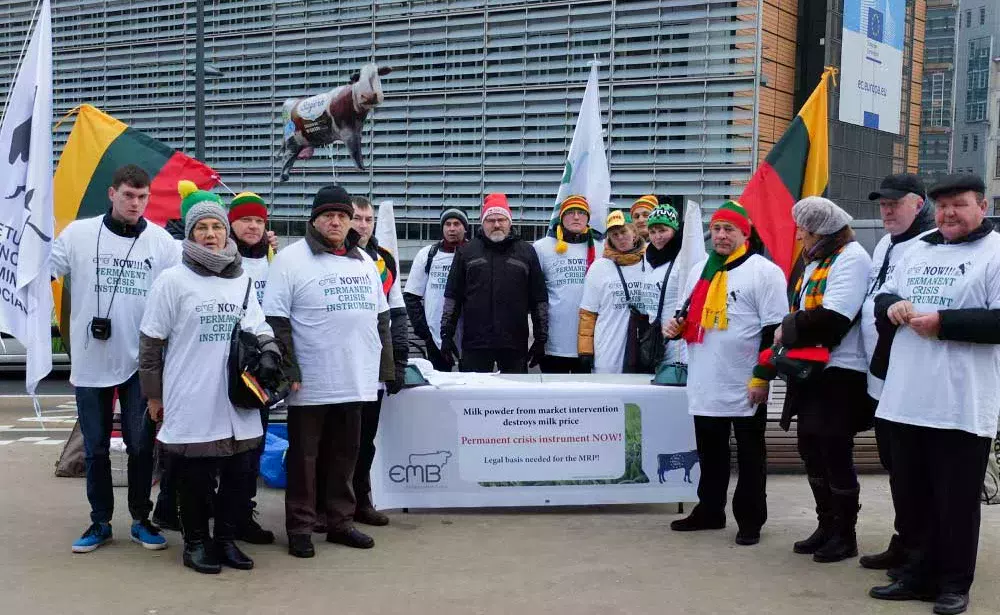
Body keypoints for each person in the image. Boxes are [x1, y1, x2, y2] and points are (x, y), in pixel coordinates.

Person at [868, 175, 1000, 615]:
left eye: (959, 205)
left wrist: (944, 322)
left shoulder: (995, 252)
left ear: (981, 206)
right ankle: (918, 573)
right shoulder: (918, 247)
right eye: (942, 206)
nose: (949, 214)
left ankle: (954, 583)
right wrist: (891, 307)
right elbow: (882, 295)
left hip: (960, 403)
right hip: (905, 398)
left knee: (956, 502)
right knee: (912, 497)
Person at [139, 189, 280, 574]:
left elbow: (258, 324)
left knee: (239, 473)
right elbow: (151, 343)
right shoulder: (172, 280)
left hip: (236, 396)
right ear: (190, 234)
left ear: (226, 233)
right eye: (201, 227)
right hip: (191, 394)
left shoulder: (242, 280)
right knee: (194, 477)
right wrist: (154, 396)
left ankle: (226, 540)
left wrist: (269, 349)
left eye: (216, 226)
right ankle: (196, 542)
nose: (210, 233)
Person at [51, 164, 178, 554]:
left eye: (142, 197)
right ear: (112, 194)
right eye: (128, 195)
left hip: (141, 363)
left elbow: (181, 292)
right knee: (95, 447)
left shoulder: (161, 242)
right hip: (91, 362)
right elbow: (42, 272)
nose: (135, 203)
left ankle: (141, 519)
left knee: (141, 446)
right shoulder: (79, 234)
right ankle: (100, 522)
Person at [263, 184, 394, 559]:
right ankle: (301, 527)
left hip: (356, 378)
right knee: (305, 460)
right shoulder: (291, 260)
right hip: (312, 382)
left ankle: (340, 521)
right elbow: (277, 321)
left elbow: (380, 319)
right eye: (327, 216)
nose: (335, 222)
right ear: (314, 220)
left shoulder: (365, 262)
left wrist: (383, 370)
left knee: (345, 455)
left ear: (350, 220)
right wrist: (290, 369)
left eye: (342, 216)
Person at [663, 201, 786, 545]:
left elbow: (774, 329)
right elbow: (686, 313)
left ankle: (750, 519)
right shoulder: (701, 269)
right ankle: (710, 509)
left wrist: (762, 376)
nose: (720, 235)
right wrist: (676, 325)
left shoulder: (764, 271)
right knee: (709, 451)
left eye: (728, 229)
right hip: (705, 377)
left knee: (750, 454)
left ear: (744, 233)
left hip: (745, 381)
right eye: (716, 228)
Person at [774, 197, 872, 564]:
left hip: (840, 372)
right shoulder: (817, 260)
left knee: (834, 452)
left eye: (803, 228)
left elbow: (833, 319)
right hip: (813, 370)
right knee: (810, 449)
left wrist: (788, 328)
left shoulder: (851, 258)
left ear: (820, 231)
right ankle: (826, 523)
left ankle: (845, 534)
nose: (798, 234)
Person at [858, 174, 935, 572]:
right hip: (879, 377)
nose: (886, 210)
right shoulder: (887, 243)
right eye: (882, 204)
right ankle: (905, 540)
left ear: (918, 204)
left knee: (913, 470)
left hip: (909, 378)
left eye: (894, 203)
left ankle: (920, 548)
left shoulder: (931, 245)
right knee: (895, 466)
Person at [315, 196, 406, 528]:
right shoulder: (331, 256)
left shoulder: (384, 261)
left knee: (364, 439)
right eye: (359, 219)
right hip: (338, 364)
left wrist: (397, 359)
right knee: (333, 440)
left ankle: (360, 500)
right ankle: (324, 504)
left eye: (369, 219)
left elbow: (394, 314)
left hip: (373, 367)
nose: (364, 225)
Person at [440, 193, 548, 373]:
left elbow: (539, 299)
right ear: (483, 223)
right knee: (473, 398)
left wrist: (541, 339)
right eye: (491, 220)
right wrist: (446, 335)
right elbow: (453, 297)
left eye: (501, 219)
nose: (496, 224)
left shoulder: (526, 252)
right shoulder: (466, 252)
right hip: (476, 344)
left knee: (513, 399)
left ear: (509, 222)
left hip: (514, 344)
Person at [532, 195, 603, 373]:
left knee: (585, 398)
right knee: (553, 398)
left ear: (588, 218)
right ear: (561, 217)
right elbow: (533, 292)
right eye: (571, 213)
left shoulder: (602, 248)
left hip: (590, 343)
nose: (576, 217)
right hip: (554, 342)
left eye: (581, 213)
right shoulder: (542, 247)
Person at [578, 211, 647, 374]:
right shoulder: (600, 267)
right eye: (614, 235)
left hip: (643, 345)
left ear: (634, 234)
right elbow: (588, 313)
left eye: (624, 232)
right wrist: (585, 351)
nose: (620, 238)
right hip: (609, 347)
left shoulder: (650, 262)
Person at [404, 208, 469, 371]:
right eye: (447, 224)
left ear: (465, 227)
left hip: (470, 334)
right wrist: (425, 333)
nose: (452, 228)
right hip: (435, 334)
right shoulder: (427, 254)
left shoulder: (474, 253)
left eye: (457, 224)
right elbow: (411, 296)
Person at [642, 204, 686, 364]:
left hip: (679, 346)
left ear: (674, 230)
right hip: (656, 343)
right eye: (652, 232)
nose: (657, 237)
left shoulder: (684, 258)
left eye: (663, 230)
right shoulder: (649, 258)